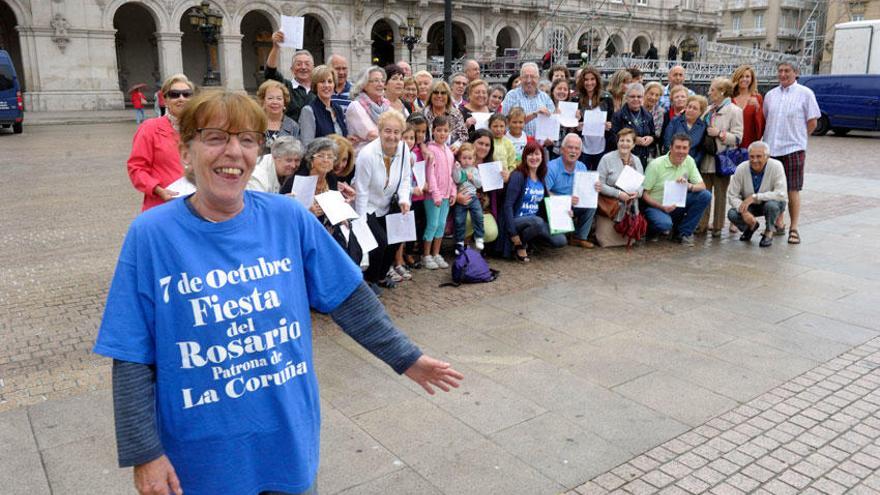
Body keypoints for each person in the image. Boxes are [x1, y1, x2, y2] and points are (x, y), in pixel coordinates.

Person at [95, 90, 462, 495]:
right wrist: (144, 453)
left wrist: (405, 357)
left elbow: (348, 297)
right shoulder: (151, 235)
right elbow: (131, 354)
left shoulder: (287, 218)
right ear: (186, 150)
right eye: (216, 137)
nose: (234, 152)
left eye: (248, 139)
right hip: (201, 457)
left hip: (286, 437)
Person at [354, 110, 413, 288]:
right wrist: (361, 222)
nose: (392, 136)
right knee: (379, 243)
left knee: (395, 240)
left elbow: (405, 178)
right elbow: (361, 190)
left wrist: (404, 199)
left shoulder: (403, 149)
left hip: (389, 203)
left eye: (396, 132)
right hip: (368, 206)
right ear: (379, 131)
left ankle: (380, 277)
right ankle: (370, 280)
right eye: (387, 131)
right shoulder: (366, 154)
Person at [763, 61, 819, 245]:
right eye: (780, 71)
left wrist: (800, 139)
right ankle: (777, 223)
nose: (783, 74)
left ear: (796, 73)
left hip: (793, 148)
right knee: (773, 189)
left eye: (787, 71)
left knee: (793, 188)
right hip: (772, 148)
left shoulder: (805, 94)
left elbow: (812, 122)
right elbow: (766, 118)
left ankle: (794, 227)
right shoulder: (770, 95)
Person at [283, 137, 361, 264]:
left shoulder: (331, 180)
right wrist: (307, 212)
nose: (326, 160)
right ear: (311, 160)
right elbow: (286, 213)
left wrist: (343, 213)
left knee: (350, 248)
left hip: (328, 230)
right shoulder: (298, 181)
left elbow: (335, 207)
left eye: (330, 157)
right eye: (321, 156)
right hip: (304, 234)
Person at [126, 73, 194, 211]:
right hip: (163, 205)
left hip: (196, 207)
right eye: (174, 94)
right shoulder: (150, 128)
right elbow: (136, 168)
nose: (181, 98)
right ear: (165, 100)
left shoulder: (202, 128)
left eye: (186, 94)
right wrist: (157, 189)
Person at [498, 141, 567, 261]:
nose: (534, 157)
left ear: (542, 156)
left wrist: (565, 214)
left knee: (560, 240)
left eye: (537, 154)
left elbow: (547, 203)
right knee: (538, 222)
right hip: (515, 221)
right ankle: (519, 245)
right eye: (530, 154)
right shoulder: (518, 176)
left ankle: (531, 241)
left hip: (534, 222)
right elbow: (507, 206)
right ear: (525, 157)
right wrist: (513, 234)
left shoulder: (541, 178)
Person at [641, 133, 711, 246]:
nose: (681, 151)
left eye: (685, 148)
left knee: (705, 195)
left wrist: (689, 186)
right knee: (664, 224)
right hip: (656, 206)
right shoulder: (656, 165)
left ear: (689, 149)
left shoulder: (689, 161)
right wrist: (662, 207)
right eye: (678, 147)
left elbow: (702, 185)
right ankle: (652, 230)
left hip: (677, 205)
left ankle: (683, 233)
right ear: (671, 147)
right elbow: (645, 194)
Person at [698, 77, 743, 237]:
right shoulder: (709, 109)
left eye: (712, 89)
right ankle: (702, 225)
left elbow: (738, 138)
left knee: (720, 194)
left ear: (722, 92)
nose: (709, 92)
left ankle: (717, 226)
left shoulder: (735, 111)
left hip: (722, 159)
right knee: (704, 192)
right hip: (706, 157)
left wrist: (720, 134)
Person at [727, 141, 788, 247]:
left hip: (772, 203)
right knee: (732, 213)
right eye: (751, 156)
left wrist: (755, 197)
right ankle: (751, 226)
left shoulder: (776, 166)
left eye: (759, 156)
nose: (755, 160)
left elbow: (781, 194)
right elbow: (732, 195)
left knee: (771, 206)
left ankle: (769, 231)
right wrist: (743, 211)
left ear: (767, 156)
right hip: (750, 206)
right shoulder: (741, 168)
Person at [545, 133, 597, 248]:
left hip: (573, 204)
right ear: (562, 150)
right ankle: (555, 232)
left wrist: (594, 188)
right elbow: (545, 192)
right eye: (570, 147)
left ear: (580, 152)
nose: (573, 151)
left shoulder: (582, 166)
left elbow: (584, 191)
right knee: (559, 241)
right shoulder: (551, 167)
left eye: (577, 148)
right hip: (556, 206)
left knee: (591, 203)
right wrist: (565, 201)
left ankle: (579, 237)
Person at [421, 116, 456, 270]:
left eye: (445, 130)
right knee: (432, 224)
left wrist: (453, 192)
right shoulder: (430, 150)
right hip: (433, 197)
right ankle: (426, 255)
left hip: (446, 196)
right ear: (433, 131)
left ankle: (436, 253)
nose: (442, 133)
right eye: (439, 130)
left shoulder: (449, 151)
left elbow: (452, 175)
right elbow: (430, 175)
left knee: (441, 225)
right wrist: (435, 194)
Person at [595, 128, 644, 222]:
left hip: (631, 210)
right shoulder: (606, 159)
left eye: (628, 141)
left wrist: (637, 193)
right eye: (622, 140)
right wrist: (618, 194)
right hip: (609, 209)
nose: (624, 143)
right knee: (604, 237)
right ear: (617, 142)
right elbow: (599, 185)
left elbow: (641, 185)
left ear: (633, 145)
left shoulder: (637, 160)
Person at [265, 34, 314, 121]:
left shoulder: (318, 88)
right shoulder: (285, 86)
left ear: (313, 68)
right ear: (292, 69)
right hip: (291, 133)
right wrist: (276, 47)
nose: (303, 67)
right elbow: (270, 72)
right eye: (298, 64)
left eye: (307, 64)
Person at [501, 62, 555, 138]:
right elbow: (506, 123)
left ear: (538, 78)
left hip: (541, 145)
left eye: (532, 77)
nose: (529, 80)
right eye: (525, 77)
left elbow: (553, 121)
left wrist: (550, 137)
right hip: (518, 145)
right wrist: (535, 114)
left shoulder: (545, 98)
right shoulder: (512, 96)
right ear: (520, 78)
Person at [299, 65, 348, 147]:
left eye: (330, 81)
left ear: (334, 85)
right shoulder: (308, 110)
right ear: (315, 85)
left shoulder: (338, 109)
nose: (326, 85)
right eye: (322, 81)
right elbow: (307, 146)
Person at [575, 66, 614, 169]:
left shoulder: (606, 98)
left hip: (601, 146)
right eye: (586, 80)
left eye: (592, 79)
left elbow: (612, 121)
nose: (589, 83)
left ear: (597, 80)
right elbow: (572, 126)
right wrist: (577, 126)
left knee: (599, 177)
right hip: (583, 147)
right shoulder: (576, 99)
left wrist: (609, 125)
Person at [345, 66, 388, 154]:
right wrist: (394, 136)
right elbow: (372, 134)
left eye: (382, 81)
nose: (380, 84)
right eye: (376, 81)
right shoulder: (355, 106)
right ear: (364, 85)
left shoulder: (386, 106)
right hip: (363, 157)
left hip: (384, 156)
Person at [611, 83, 655, 166]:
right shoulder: (618, 116)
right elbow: (613, 138)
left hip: (642, 158)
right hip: (623, 159)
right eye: (632, 96)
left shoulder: (648, 115)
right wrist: (633, 140)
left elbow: (653, 134)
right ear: (626, 98)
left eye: (639, 96)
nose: (636, 99)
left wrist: (651, 139)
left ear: (643, 97)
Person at [452, 143, 485, 251]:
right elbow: (457, 180)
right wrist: (457, 169)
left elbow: (479, 184)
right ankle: (459, 242)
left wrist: (472, 179)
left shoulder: (474, 170)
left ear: (474, 159)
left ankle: (479, 237)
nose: (467, 160)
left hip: (473, 198)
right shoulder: (458, 168)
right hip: (460, 200)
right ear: (459, 158)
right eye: (464, 158)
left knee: (479, 216)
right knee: (459, 220)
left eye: (469, 158)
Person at [421, 80, 468, 149]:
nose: (439, 96)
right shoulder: (422, 114)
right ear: (430, 96)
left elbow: (464, 135)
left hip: (452, 153)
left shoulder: (455, 114)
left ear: (448, 97)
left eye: (443, 93)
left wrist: (457, 145)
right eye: (436, 92)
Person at [257, 79, 301, 153]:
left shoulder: (293, 126)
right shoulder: (254, 124)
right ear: (263, 101)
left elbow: (296, 154)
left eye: (279, 98)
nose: (275, 102)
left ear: (284, 103)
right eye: (270, 98)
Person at [663, 95, 708, 163]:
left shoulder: (703, 126)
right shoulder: (675, 121)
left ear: (700, 112)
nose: (690, 110)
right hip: (672, 161)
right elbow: (667, 142)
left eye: (695, 108)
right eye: (689, 107)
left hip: (691, 164)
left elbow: (701, 150)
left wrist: (694, 162)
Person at [731, 64, 765, 150]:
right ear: (737, 78)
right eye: (741, 76)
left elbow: (762, 124)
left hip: (750, 144)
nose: (744, 79)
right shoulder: (729, 98)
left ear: (752, 79)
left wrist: (757, 108)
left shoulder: (757, 98)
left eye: (747, 76)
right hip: (731, 144)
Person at [643, 81, 665, 156]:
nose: (653, 97)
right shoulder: (637, 107)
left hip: (650, 148)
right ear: (645, 93)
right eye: (651, 94)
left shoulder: (660, 111)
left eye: (657, 95)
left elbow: (657, 133)